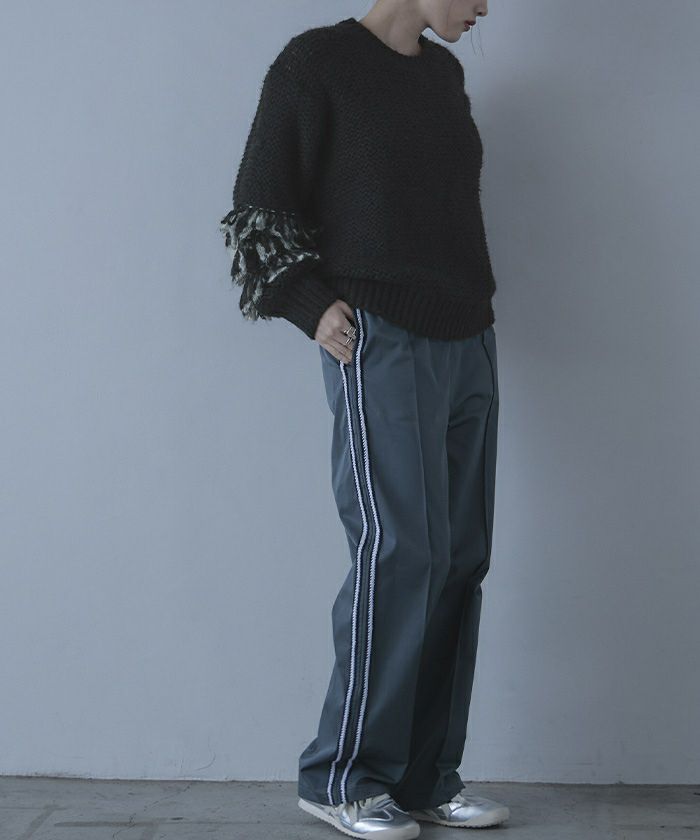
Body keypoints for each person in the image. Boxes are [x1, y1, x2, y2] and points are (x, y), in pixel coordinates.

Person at [219, 1, 507, 836]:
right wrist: (307, 303)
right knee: (400, 550)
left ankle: (425, 776)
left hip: (467, 336)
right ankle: (341, 777)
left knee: (458, 557)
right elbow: (257, 202)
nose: (485, 7)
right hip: (379, 336)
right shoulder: (317, 65)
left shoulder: (443, 75)